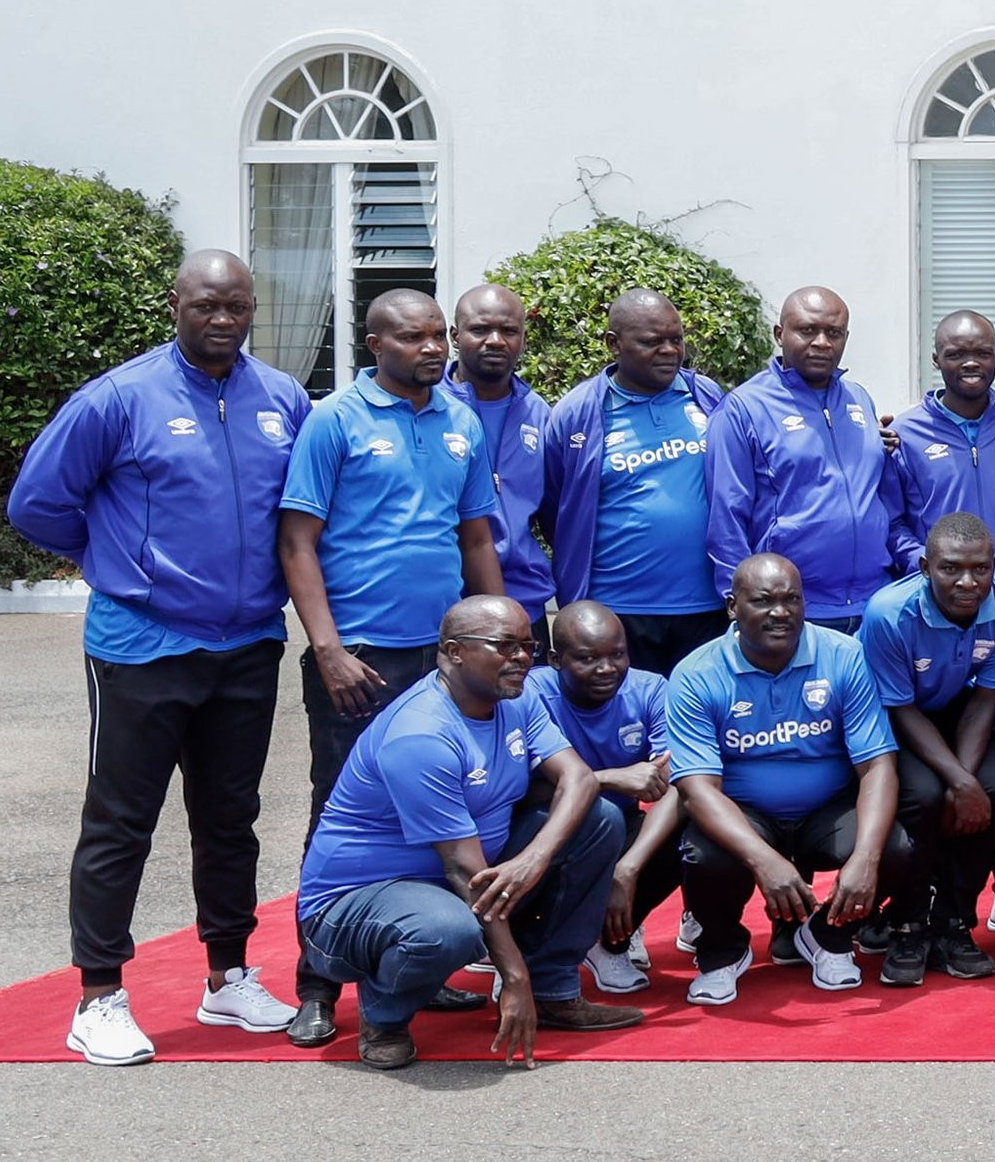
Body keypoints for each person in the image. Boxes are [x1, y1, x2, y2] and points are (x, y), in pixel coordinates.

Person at [11, 252, 316, 1064]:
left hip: (247, 643)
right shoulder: (117, 397)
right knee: (120, 823)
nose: (224, 319)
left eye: (238, 306)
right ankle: (98, 994)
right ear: (175, 303)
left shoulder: (281, 399)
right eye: (207, 305)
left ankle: (227, 977)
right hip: (141, 646)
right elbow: (37, 502)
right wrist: (121, 561)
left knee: (230, 821)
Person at [282, 595, 640, 1067]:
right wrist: (514, 978)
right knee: (448, 929)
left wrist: (533, 857)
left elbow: (578, 778)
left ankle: (554, 991)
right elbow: (463, 871)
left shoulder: (518, 697)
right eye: (504, 646)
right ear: (453, 651)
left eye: (527, 646)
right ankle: (384, 1015)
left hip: (456, 883)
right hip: (354, 907)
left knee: (598, 821)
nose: (521, 659)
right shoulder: (422, 736)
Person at [277, 287, 507, 841]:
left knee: (449, 797)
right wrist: (329, 651)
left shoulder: (462, 422)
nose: (431, 348)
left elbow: (476, 540)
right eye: (412, 337)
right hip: (362, 657)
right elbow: (295, 543)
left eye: (437, 335)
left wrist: (504, 635)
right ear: (375, 345)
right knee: (343, 806)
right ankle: (327, 927)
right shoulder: (333, 420)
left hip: (447, 652)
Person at [662, 551, 904, 1005]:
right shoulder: (696, 674)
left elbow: (877, 766)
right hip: (746, 813)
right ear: (733, 606)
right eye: (764, 600)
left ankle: (827, 936)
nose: (780, 612)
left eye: (792, 599)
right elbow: (697, 790)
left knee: (894, 846)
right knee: (704, 853)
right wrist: (763, 859)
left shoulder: (843, 655)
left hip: (826, 809)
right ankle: (722, 952)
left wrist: (866, 858)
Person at [850, 515, 995, 984]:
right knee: (923, 796)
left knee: (992, 793)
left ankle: (954, 921)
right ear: (926, 566)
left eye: (979, 569)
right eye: (951, 569)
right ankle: (906, 923)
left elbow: (988, 696)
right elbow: (900, 707)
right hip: (898, 716)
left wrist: (966, 783)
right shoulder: (888, 612)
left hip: (963, 712)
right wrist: (953, 781)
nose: (967, 582)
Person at [539, 290, 732, 672]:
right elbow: (555, 509)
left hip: (706, 607)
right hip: (617, 612)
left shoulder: (705, 396)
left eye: (676, 339)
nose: (669, 351)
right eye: (651, 341)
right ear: (614, 344)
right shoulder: (578, 414)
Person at [702, 287, 905, 626]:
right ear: (780, 335)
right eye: (808, 330)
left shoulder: (859, 399)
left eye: (834, 333)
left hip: (873, 604)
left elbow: (882, 498)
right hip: (793, 611)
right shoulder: (744, 408)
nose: (822, 342)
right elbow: (726, 519)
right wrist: (739, 605)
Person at [522, 600, 685, 997]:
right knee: (600, 813)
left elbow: (674, 783)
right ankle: (524, 949)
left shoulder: (650, 690)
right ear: (557, 659)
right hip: (545, 820)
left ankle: (607, 942)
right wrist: (609, 779)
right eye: (587, 658)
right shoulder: (531, 693)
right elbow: (523, 786)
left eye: (617, 654)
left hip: (620, 827)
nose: (606, 668)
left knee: (690, 831)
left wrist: (627, 869)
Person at [891, 312, 995, 597]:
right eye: (956, 354)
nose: (971, 363)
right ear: (936, 359)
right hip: (940, 595)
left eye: (982, 353)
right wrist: (929, 566)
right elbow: (891, 522)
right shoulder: (904, 434)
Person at [446, 284, 556, 617]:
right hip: (447, 605)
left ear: (523, 338)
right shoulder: (429, 411)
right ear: (455, 335)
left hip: (525, 604)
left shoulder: (540, 415)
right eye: (480, 329)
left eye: (509, 331)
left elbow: (556, 519)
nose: (495, 340)